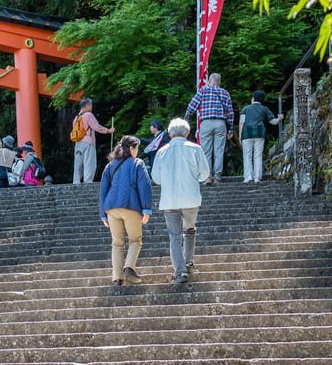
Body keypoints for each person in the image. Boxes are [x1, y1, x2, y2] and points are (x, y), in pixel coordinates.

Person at [150, 118, 215, 284]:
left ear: (170, 134)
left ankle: (180, 272)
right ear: (187, 133)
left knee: (174, 236)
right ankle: (188, 261)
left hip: (169, 200)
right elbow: (204, 174)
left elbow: (155, 178)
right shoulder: (195, 148)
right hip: (190, 198)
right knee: (190, 230)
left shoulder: (162, 151)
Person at [99, 135, 153, 285]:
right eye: (136, 148)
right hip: (130, 206)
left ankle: (118, 278)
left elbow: (103, 190)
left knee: (117, 243)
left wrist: (102, 214)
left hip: (111, 208)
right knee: (135, 240)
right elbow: (144, 187)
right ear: (131, 148)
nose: (137, 152)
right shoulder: (137, 163)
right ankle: (129, 268)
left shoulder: (110, 165)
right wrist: (147, 208)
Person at [184, 73, 235, 179]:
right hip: (221, 123)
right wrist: (230, 129)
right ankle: (217, 176)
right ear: (219, 82)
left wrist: (186, 119)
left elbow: (191, 106)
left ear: (209, 80)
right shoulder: (225, 93)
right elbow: (230, 112)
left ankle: (207, 176)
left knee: (206, 151)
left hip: (206, 123)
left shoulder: (203, 91)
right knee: (219, 151)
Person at [239, 91, 282, 183]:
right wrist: (279, 118)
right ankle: (257, 177)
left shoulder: (246, 109)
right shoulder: (264, 109)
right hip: (260, 133)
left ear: (253, 98)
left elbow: (242, 122)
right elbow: (273, 122)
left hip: (247, 133)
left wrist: (240, 136)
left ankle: (248, 177)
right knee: (258, 155)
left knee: (247, 155)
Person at [73, 98, 114, 184]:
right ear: (87, 105)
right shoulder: (88, 115)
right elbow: (96, 127)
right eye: (91, 105)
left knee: (78, 163)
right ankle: (88, 181)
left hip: (78, 143)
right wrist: (108, 130)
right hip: (88, 142)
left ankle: (76, 182)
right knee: (89, 162)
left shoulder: (76, 118)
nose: (92, 107)